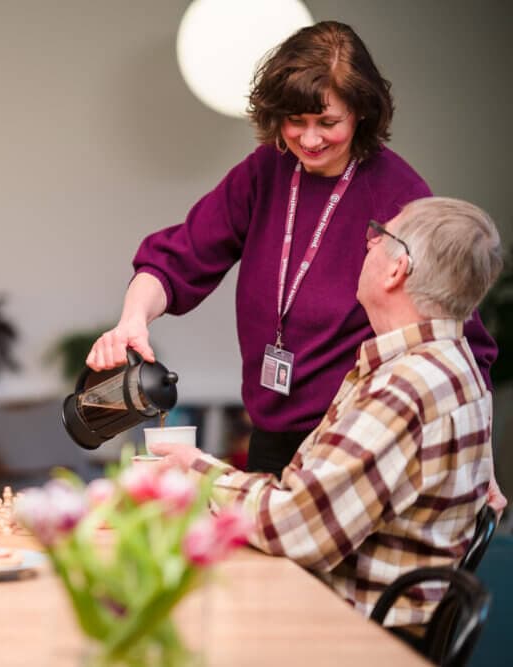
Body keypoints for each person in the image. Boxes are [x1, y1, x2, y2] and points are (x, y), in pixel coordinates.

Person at [85, 20, 504, 511]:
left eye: (327, 122)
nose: (309, 139)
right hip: (269, 433)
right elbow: (177, 257)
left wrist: (480, 462)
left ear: (362, 112)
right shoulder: (266, 170)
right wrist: (133, 320)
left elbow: (459, 338)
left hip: (352, 446)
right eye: (295, 120)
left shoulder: (399, 196)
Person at [159, 196, 502, 626]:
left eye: (381, 235)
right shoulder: (454, 363)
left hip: (348, 629)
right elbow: (305, 500)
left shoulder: (405, 389)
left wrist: (198, 472)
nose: (369, 242)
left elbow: (297, 526)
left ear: (397, 270)